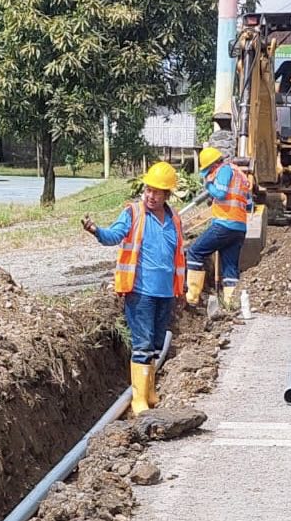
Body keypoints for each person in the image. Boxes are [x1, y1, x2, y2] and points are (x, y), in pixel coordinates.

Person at [81, 161, 185, 414]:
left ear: (167, 194)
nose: (150, 196)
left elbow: (178, 255)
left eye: (157, 192)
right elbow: (114, 236)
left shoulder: (174, 219)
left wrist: (180, 290)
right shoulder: (133, 213)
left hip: (165, 292)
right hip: (140, 292)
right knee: (143, 344)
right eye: (148, 190)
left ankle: (149, 391)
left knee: (157, 344)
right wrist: (96, 230)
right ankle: (139, 399)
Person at [185, 147, 253, 308]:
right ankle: (230, 304)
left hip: (224, 224)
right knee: (230, 267)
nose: (209, 174)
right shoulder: (240, 175)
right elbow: (249, 205)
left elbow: (221, 194)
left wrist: (209, 186)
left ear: (214, 165)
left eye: (209, 171)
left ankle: (192, 298)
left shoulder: (224, 170)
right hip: (239, 228)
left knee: (194, 252)